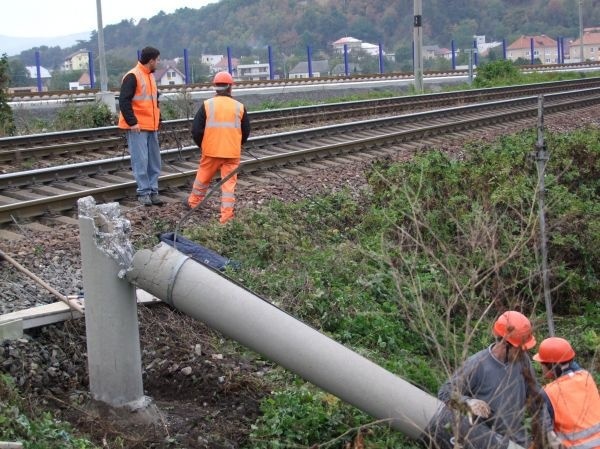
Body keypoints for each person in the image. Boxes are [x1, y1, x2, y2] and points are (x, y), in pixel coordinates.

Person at [437, 310, 556, 448]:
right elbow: (444, 392)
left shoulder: (523, 362)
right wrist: (468, 403)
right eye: (520, 348)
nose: (524, 352)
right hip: (486, 441)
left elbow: (537, 400)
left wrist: (548, 433)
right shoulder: (477, 364)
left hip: (517, 441)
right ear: (505, 344)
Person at [185, 71, 250, 224]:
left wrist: (203, 144)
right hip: (232, 153)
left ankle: (194, 203)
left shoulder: (207, 105)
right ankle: (226, 217)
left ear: (215, 87)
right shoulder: (239, 107)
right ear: (230, 87)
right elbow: (246, 131)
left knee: (202, 178)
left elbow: (196, 130)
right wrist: (236, 144)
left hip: (211, 151)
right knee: (228, 185)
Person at [533, 337, 600, 449]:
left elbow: (546, 436)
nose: (541, 367)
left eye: (542, 364)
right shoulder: (586, 376)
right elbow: (572, 366)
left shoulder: (547, 393)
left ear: (551, 366)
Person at [118, 46, 163, 207]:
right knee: (141, 161)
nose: (158, 62)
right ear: (151, 61)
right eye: (157, 60)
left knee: (154, 161)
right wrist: (132, 122)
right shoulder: (133, 76)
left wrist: (159, 119)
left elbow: (153, 102)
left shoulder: (150, 76)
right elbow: (124, 100)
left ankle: (153, 191)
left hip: (151, 125)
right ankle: (144, 192)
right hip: (138, 126)